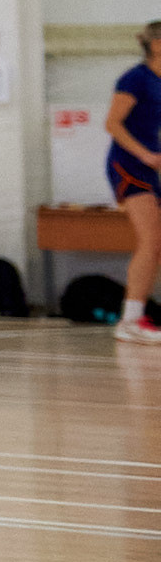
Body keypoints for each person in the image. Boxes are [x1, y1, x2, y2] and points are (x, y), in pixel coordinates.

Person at [103, 22, 161, 345]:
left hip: (148, 167)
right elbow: (112, 123)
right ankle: (130, 321)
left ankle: (136, 316)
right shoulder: (135, 78)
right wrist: (145, 155)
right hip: (127, 165)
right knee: (150, 241)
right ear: (156, 45)